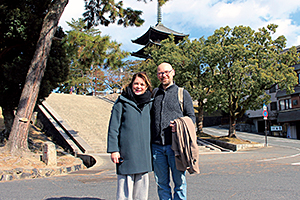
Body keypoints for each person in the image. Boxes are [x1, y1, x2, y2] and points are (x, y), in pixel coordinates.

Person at [151, 62, 196, 200]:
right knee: (161, 184)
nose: (164, 75)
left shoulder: (182, 93)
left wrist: (180, 125)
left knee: (179, 183)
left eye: (166, 72)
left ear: (173, 72)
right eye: (160, 73)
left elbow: (192, 117)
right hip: (157, 147)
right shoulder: (154, 93)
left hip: (176, 147)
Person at [107, 72, 153, 200]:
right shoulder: (121, 102)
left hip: (144, 153)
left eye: (142, 84)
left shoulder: (150, 103)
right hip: (126, 153)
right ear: (131, 84)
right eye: (136, 83)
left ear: (146, 87)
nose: (139, 86)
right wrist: (114, 150)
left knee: (142, 189)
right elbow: (113, 128)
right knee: (124, 190)